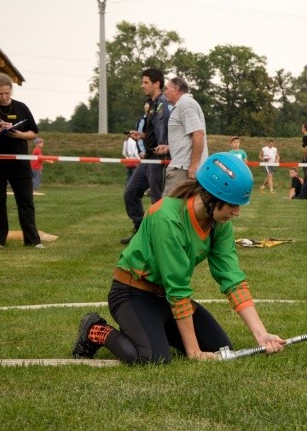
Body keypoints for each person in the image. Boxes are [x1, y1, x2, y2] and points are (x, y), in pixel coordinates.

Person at [72, 152, 286, 364]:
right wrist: (194, 351)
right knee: (153, 358)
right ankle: (94, 329)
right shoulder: (167, 218)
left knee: (222, 350)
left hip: (163, 297)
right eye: (232, 205)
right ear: (211, 198)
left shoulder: (219, 224)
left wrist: (261, 334)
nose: (237, 212)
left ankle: (156, 330)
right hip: (132, 293)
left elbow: (232, 278)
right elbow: (178, 287)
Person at [0, 74, 44, 249]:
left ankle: (32, 240)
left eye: (7, 93)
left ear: (11, 91)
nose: (4, 97)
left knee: (26, 201)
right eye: (0, 94)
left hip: (19, 162)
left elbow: (33, 132)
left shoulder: (21, 108)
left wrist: (21, 134)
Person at [121, 68, 171, 245]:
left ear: (157, 83)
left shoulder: (164, 103)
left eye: (146, 82)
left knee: (157, 201)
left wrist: (166, 147)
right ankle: (140, 229)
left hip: (159, 159)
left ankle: (159, 238)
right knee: (130, 193)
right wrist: (141, 136)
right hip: (147, 158)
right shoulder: (151, 104)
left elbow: (166, 130)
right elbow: (153, 131)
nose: (142, 86)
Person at [159, 76, 208, 196]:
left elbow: (198, 133)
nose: (164, 92)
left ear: (176, 89)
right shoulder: (184, 104)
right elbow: (189, 137)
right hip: (184, 167)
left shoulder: (185, 104)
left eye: (167, 88)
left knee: (168, 209)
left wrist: (194, 165)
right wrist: (170, 147)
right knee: (185, 210)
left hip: (183, 169)